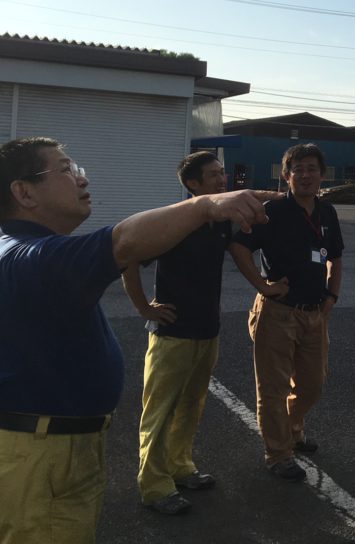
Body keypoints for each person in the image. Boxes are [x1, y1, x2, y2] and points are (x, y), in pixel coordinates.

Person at [0, 137, 273, 544]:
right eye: (66, 169)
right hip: (43, 456)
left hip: (55, 447)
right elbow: (124, 244)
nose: (82, 178)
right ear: (24, 192)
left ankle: (179, 464)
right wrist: (203, 207)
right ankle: (156, 482)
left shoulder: (26, 252)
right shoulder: (29, 258)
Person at [121, 152, 230, 515]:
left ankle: (180, 466)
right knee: (160, 410)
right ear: (193, 184)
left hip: (207, 330)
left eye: (222, 173)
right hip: (172, 333)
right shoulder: (172, 221)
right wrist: (143, 307)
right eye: (213, 175)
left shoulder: (219, 220)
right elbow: (128, 258)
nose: (222, 180)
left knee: (191, 404)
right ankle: (154, 486)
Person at [228, 143, 343, 483]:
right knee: (273, 389)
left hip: (314, 313)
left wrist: (332, 294)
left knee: (312, 385)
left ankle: (293, 428)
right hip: (277, 312)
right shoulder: (273, 211)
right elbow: (238, 246)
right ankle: (278, 453)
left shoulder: (327, 212)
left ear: (322, 175)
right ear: (286, 175)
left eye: (312, 169)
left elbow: (335, 257)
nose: (306, 175)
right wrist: (262, 285)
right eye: (298, 169)